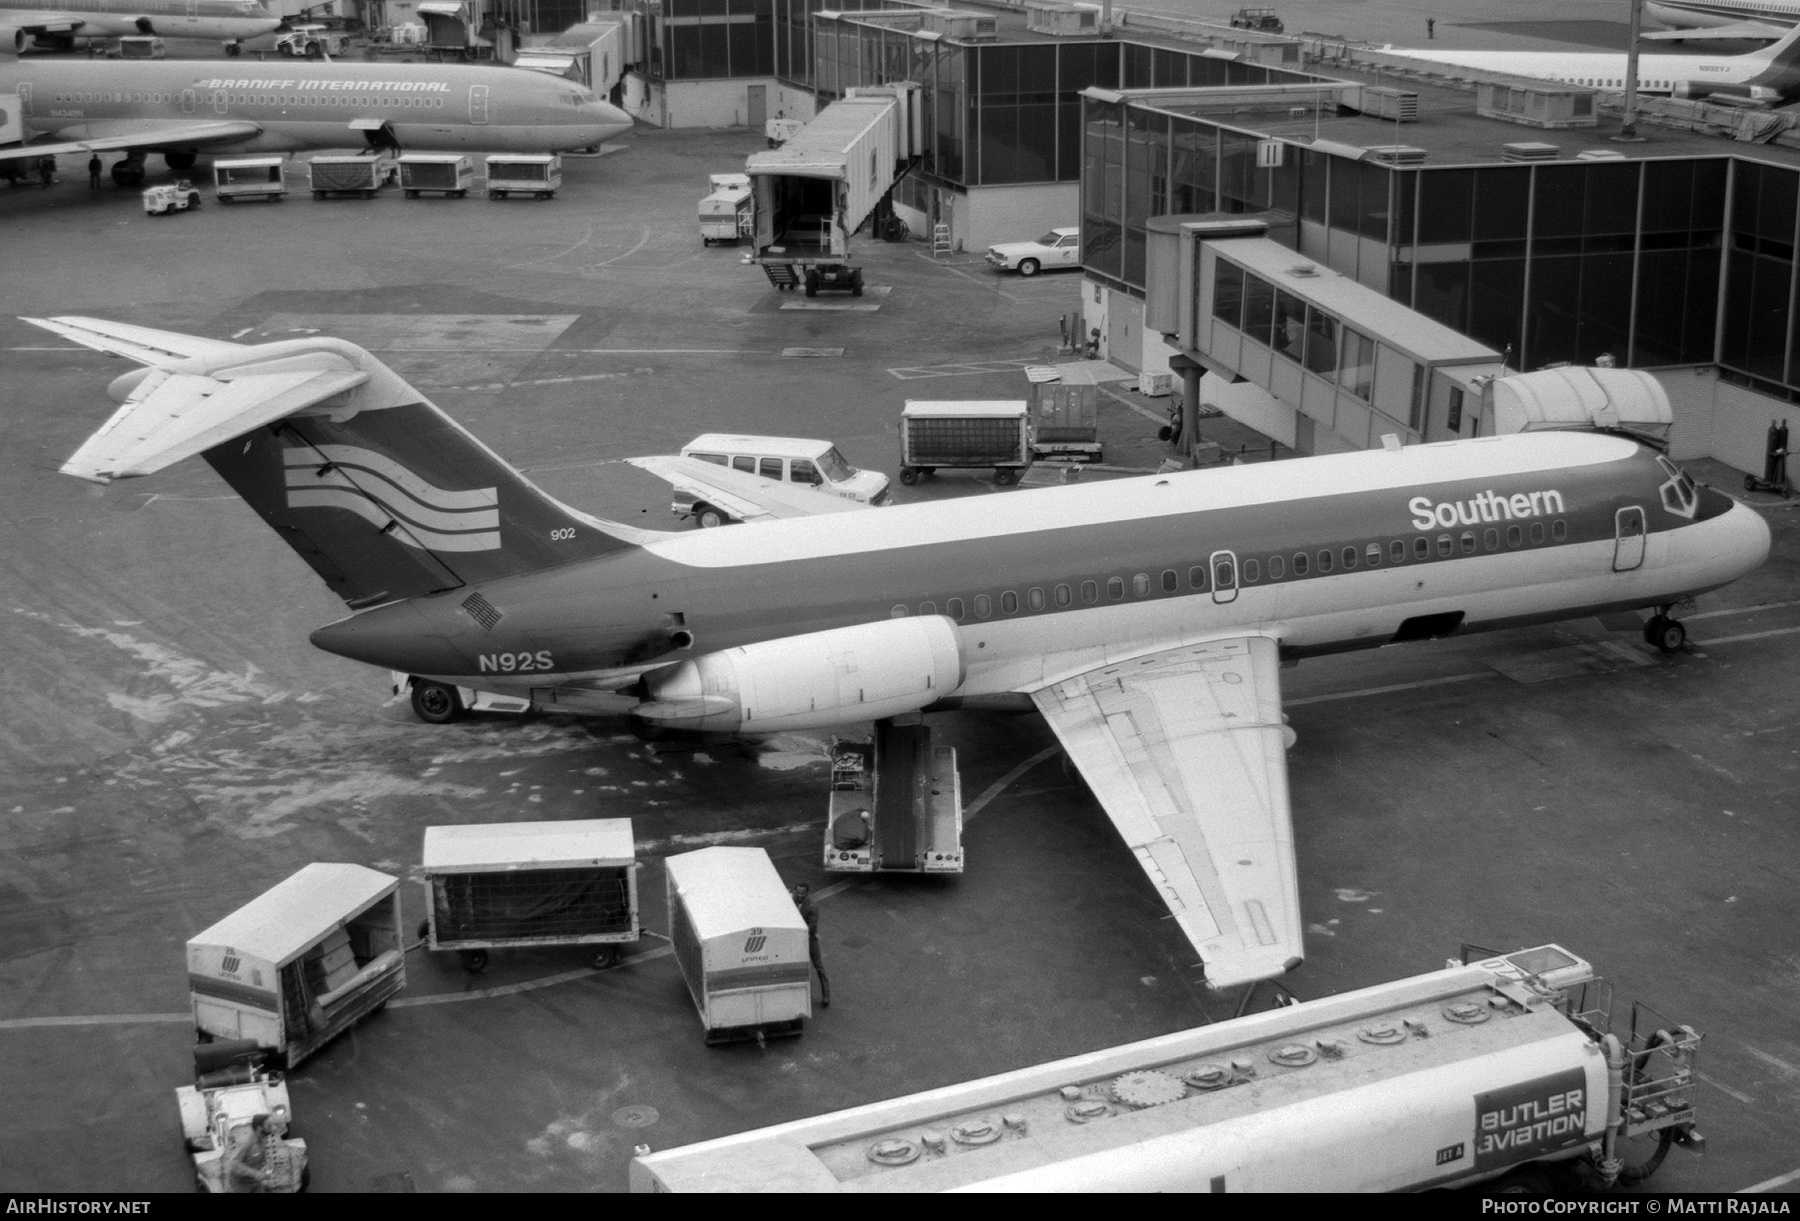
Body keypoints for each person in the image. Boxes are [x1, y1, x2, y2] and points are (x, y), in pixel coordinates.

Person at [791, 883, 830, 1008]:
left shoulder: (812, 906)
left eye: (803, 893)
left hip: (809, 938)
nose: (800, 895)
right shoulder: (792, 900)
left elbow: (812, 925)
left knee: (818, 965)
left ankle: (826, 995)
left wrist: (800, 934)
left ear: (807, 893)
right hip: (795, 937)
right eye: (798, 893)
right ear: (795, 892)